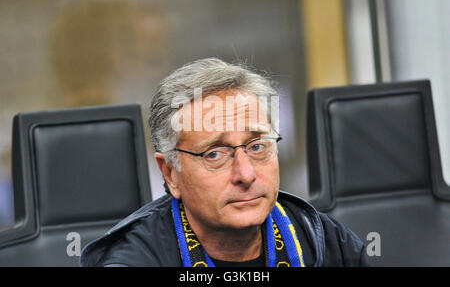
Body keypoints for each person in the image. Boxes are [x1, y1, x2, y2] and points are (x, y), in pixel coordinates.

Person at [80, 58, 369, 267]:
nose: (246, 174)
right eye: (215, 154)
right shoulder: (134, 261)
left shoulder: (329, 245)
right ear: (171, 174)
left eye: (257, 146)